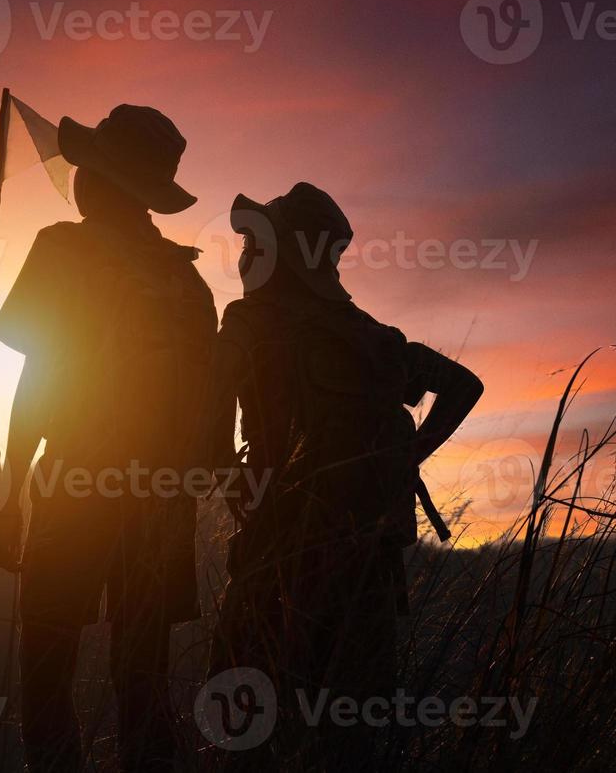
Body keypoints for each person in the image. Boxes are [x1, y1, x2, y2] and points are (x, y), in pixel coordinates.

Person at [199, 183, 484, 772]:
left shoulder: (251, 320)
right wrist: (411, 457)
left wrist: (240, 492)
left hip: (279, 546)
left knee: (241, 711)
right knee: (348, 725)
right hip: (371, 559)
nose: (247, 254)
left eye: (257, 241)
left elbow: (206, 417)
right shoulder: (375, 338)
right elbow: (464, 384)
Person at [0, 105, 219, 773]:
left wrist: (8, 484)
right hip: (162, 502)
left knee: (46, 660)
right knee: (141, 674)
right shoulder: (190, 282)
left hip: (76, 486)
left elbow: (39, 381)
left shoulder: (64, 248)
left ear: (102, 179)